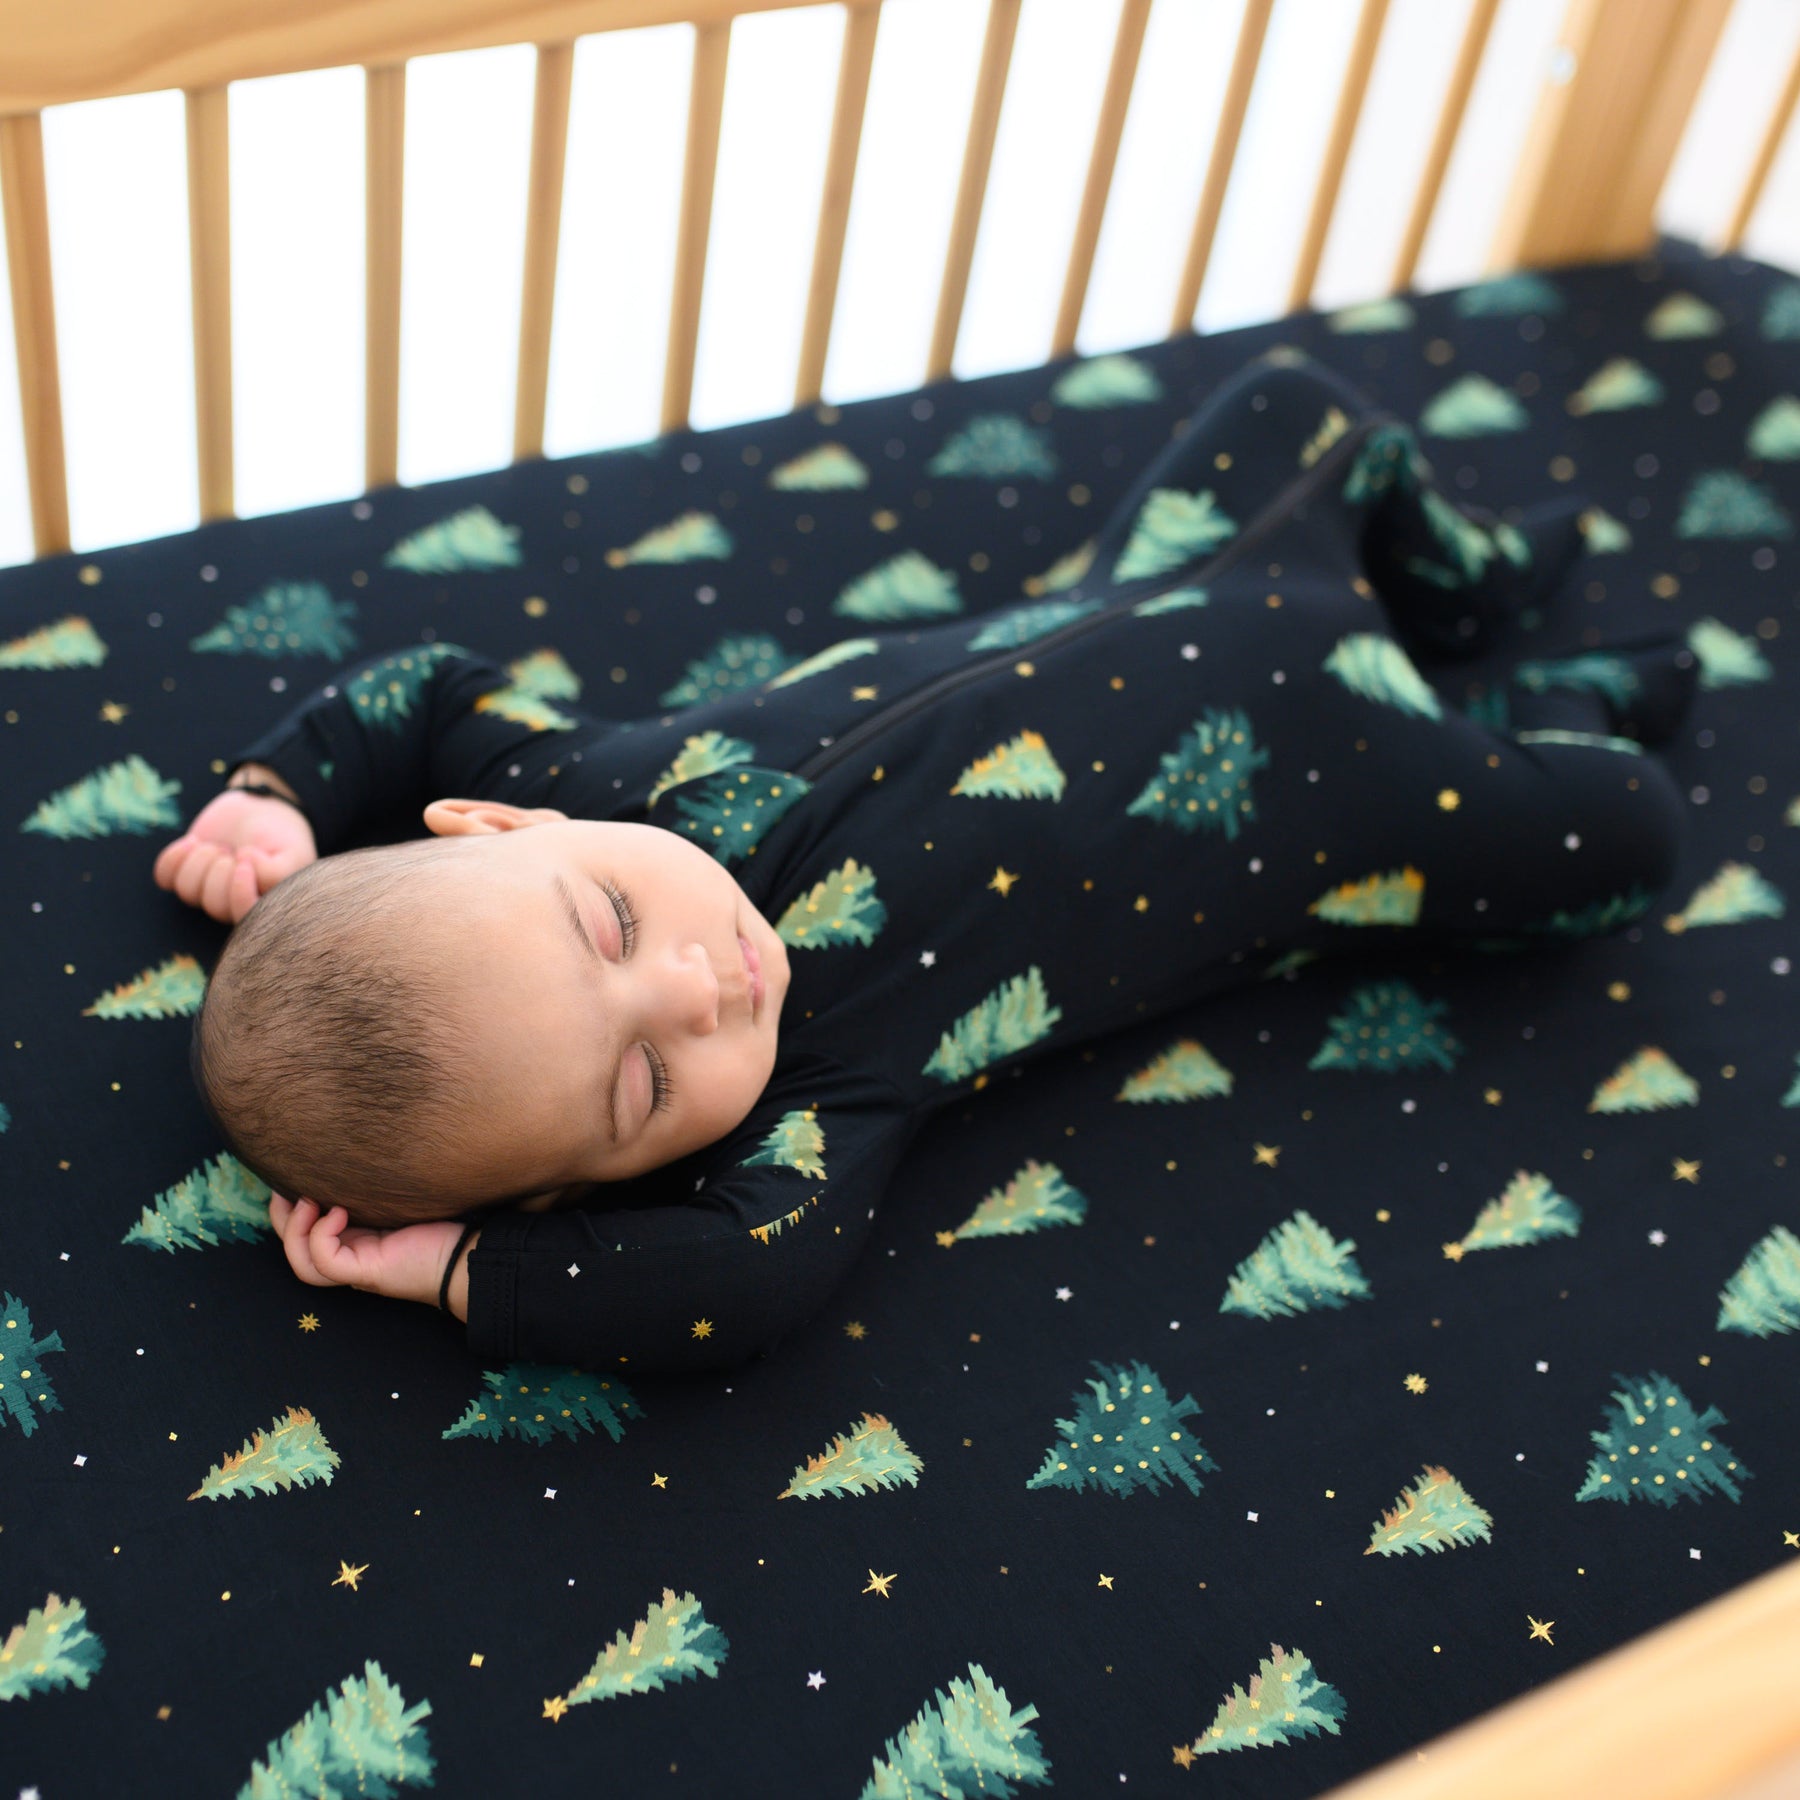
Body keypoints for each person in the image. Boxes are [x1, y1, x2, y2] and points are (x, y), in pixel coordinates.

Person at [153, 349, 1696, 1377]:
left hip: (1195, 565)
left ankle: (1469, 577)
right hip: (1339, 794)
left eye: (610, 924)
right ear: (583, 1191)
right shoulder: (827, 1090)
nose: (695, 991)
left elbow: (424, 688)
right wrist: (459, 1277)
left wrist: (275, 797)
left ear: (495, 829)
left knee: (1299, 402)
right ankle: (1550, 711)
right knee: (1627, 835)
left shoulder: (566, 781)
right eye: (640, 1088)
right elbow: (739, 1286)